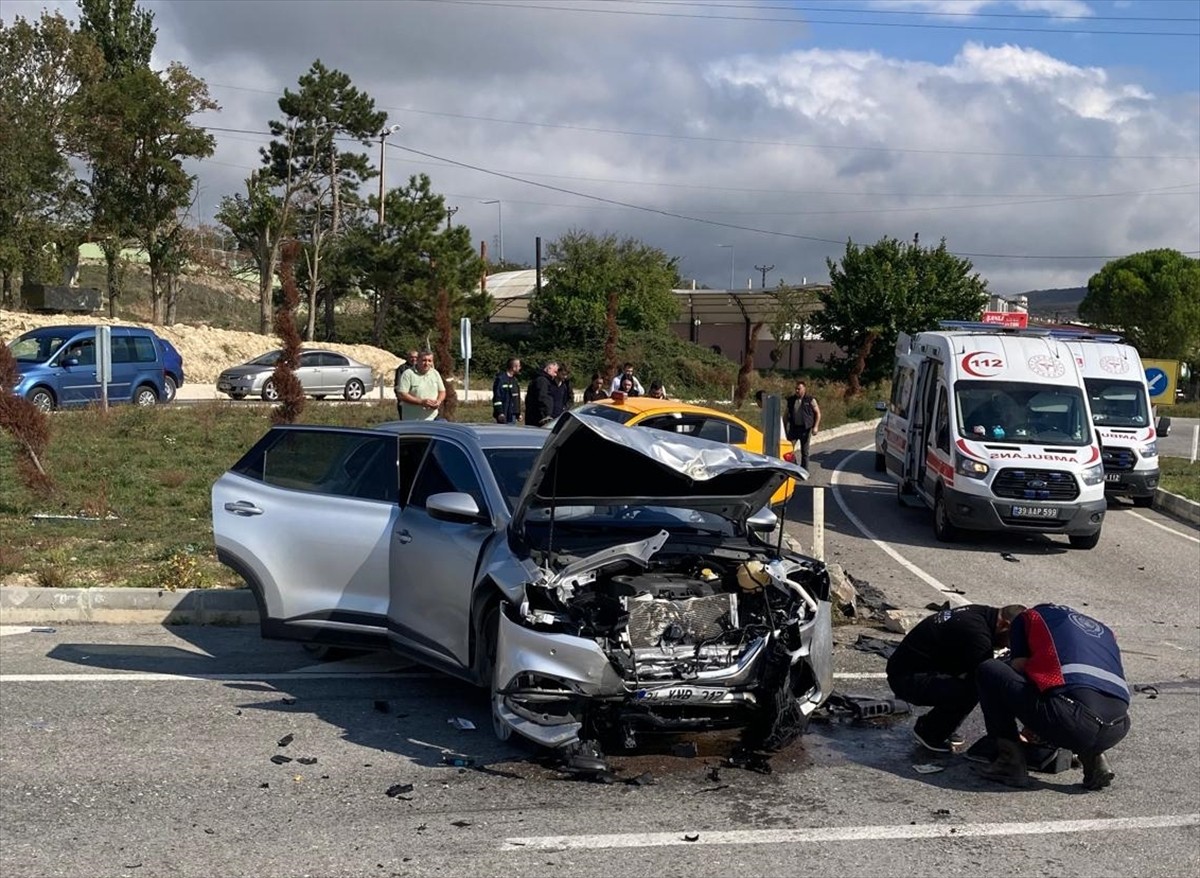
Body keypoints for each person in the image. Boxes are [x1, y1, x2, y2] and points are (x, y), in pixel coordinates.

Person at [974, 603, 1131, 790]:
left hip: (1074, 722)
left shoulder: (1028, 618)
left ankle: (1009, 762)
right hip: (1118, 728)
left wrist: (1030, 723)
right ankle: (1094, 757)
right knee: (1079, 695)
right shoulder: (1103, 630)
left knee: (991, 670)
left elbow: (1019, 669)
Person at [887, 604, 1025, 753]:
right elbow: (989, 680)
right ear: (1005, 625)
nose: (1011, 646)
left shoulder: (982, 614)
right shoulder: (976, 633)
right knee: (976, 686)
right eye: (1012, 640)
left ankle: (938, 724)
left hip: (919, 666)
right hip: (906, 678)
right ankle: (929, 732)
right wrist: (1011, 734)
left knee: (979, 675)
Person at [395, 351, 445, 422]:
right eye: (424, 360)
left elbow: (442, 391)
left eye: (429, 361)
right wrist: (421, 402)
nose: (426, 363)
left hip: (433, 418)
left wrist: (438, 401)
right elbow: (402, 395)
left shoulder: (435, 373)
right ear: (418, 361)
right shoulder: (408, 374)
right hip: (413, 420)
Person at [784, 380, 821, 468]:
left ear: (804, 389)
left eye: (799, 389)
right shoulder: (791, 400)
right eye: (796, 389)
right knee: (788, 449)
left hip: (805, 428)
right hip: (794, 428)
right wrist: (784, 428)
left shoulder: (810, 400)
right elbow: (785, 415)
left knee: (805, 451)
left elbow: (818, 413)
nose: (797, 391)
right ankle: (793, 466)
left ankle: (805, 469)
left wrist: (815, 427)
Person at [525, 360, 559, 427]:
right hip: (538, 418)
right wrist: (546, 415)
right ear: (549, 368)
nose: (556, 374)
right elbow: (543, 398)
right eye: (555, 372)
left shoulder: (542, 380)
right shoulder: (542, 381)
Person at [491, 357, 521, 424]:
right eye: (519, 366)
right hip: (504, 415)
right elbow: (497, 398)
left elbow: (516, 398)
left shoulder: (514, 380)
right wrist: (500, 413)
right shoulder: (501, 379)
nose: (520, 368)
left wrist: (518, 413)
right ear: (514, 367)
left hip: (512, 415)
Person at [393, 350, 419, 418]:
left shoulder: (420, 368)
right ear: (407, 358)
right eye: (412, 357)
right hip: (405, 401)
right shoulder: (402, 368)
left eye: (416, 357)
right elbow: (397, 385)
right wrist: (401, 399)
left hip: (419, 402)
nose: (414, 359)